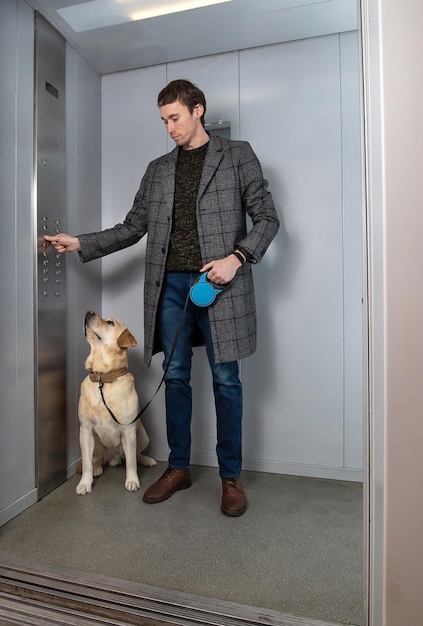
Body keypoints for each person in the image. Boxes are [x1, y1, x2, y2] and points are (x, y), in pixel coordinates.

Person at [47, 79, 279, 517]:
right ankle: (178, 468)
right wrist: (81, 242)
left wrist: (238, 256)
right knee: (175, 378)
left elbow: (267, 217)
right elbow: (133, 226)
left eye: (175, 117)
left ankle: (231, 477)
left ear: (198, 110)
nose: (169, 127)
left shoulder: (237, 155)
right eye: (164, 120)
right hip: (170, 286)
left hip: (220, 283)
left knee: (226, 380)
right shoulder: (158, 169)